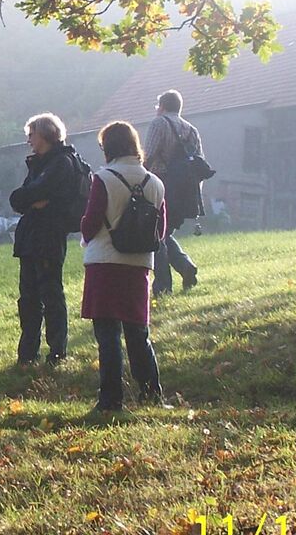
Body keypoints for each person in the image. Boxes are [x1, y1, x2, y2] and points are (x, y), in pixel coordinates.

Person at [80, 121, 167, 412]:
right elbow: (161, 229)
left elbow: (91, 222)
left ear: (108, 147)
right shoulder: (155, 183)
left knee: (107, 335)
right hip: (139, 265)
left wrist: (86, 236)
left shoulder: (103, 178)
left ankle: (111, 399)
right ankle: (151, 394)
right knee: (138, 333)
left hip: (105, 263)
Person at [9, 113, 86, 367]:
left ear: (45, 134)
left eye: (31, 135)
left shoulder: (61, 163)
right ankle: (28, 352)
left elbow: (31, 195)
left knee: (51, 294)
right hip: (31, 237)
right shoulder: (40, 164)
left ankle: (57, 350)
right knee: (28, 297)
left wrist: (32, 198)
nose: (29, 140)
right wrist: (33, 200)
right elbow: (19, 199)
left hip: (48, 236)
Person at [143, 89, 203, 294]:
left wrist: (139, 180)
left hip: (161, 184)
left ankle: (163, 285)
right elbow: (198, 164)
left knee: (156, 235)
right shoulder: (192, 130)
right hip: (184, 191)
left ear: (162, 106)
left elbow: (148, 155)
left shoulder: (159, 123)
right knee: (165, 233)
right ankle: (185, 266)